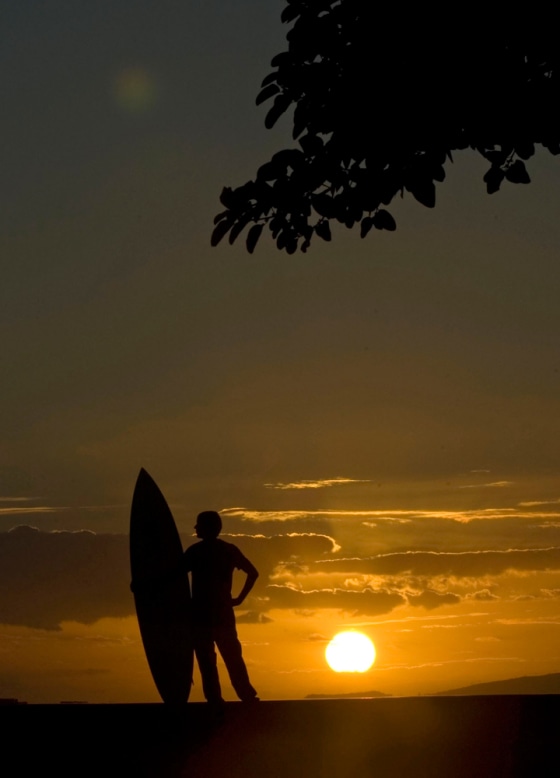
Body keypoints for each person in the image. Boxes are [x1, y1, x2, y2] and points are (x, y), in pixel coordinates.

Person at [182, 510, 259, 705]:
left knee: (208, 661)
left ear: (207, 527)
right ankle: (246, 696)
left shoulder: (195, 552)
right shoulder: (229, 550)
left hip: (201, 615)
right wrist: (239, 599)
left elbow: (171, 576)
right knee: (232, 657)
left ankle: (216, 700)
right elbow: (253, 573)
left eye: (198, 524)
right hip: (222, 613)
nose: (195, 528)